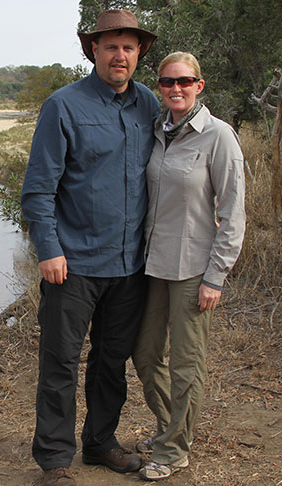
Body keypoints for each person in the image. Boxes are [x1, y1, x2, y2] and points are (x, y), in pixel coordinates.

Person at [21, 9, 160, 486]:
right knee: (60, 362)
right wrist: (48, 248)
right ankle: (55, 462)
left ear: (139, 53)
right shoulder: (63, 106)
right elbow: (39, 189)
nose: (119, 55)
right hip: (73, 263)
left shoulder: (149, 106)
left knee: (111, 362)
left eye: (128, 47)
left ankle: (100, 443)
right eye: (110, 46)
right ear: (93, 51)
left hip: (130, 265)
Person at [132, 51, 246, 481]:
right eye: (166, 82)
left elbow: (234, 214)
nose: (174, 89)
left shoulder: (219, 136)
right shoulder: (158, 132)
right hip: (152, 265)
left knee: (186, 362)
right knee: (144, 354)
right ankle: (170, 428)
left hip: (194, 268)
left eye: (184, 81)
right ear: (159, 88)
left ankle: (175, 449)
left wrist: (216, 276)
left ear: (199, 85)